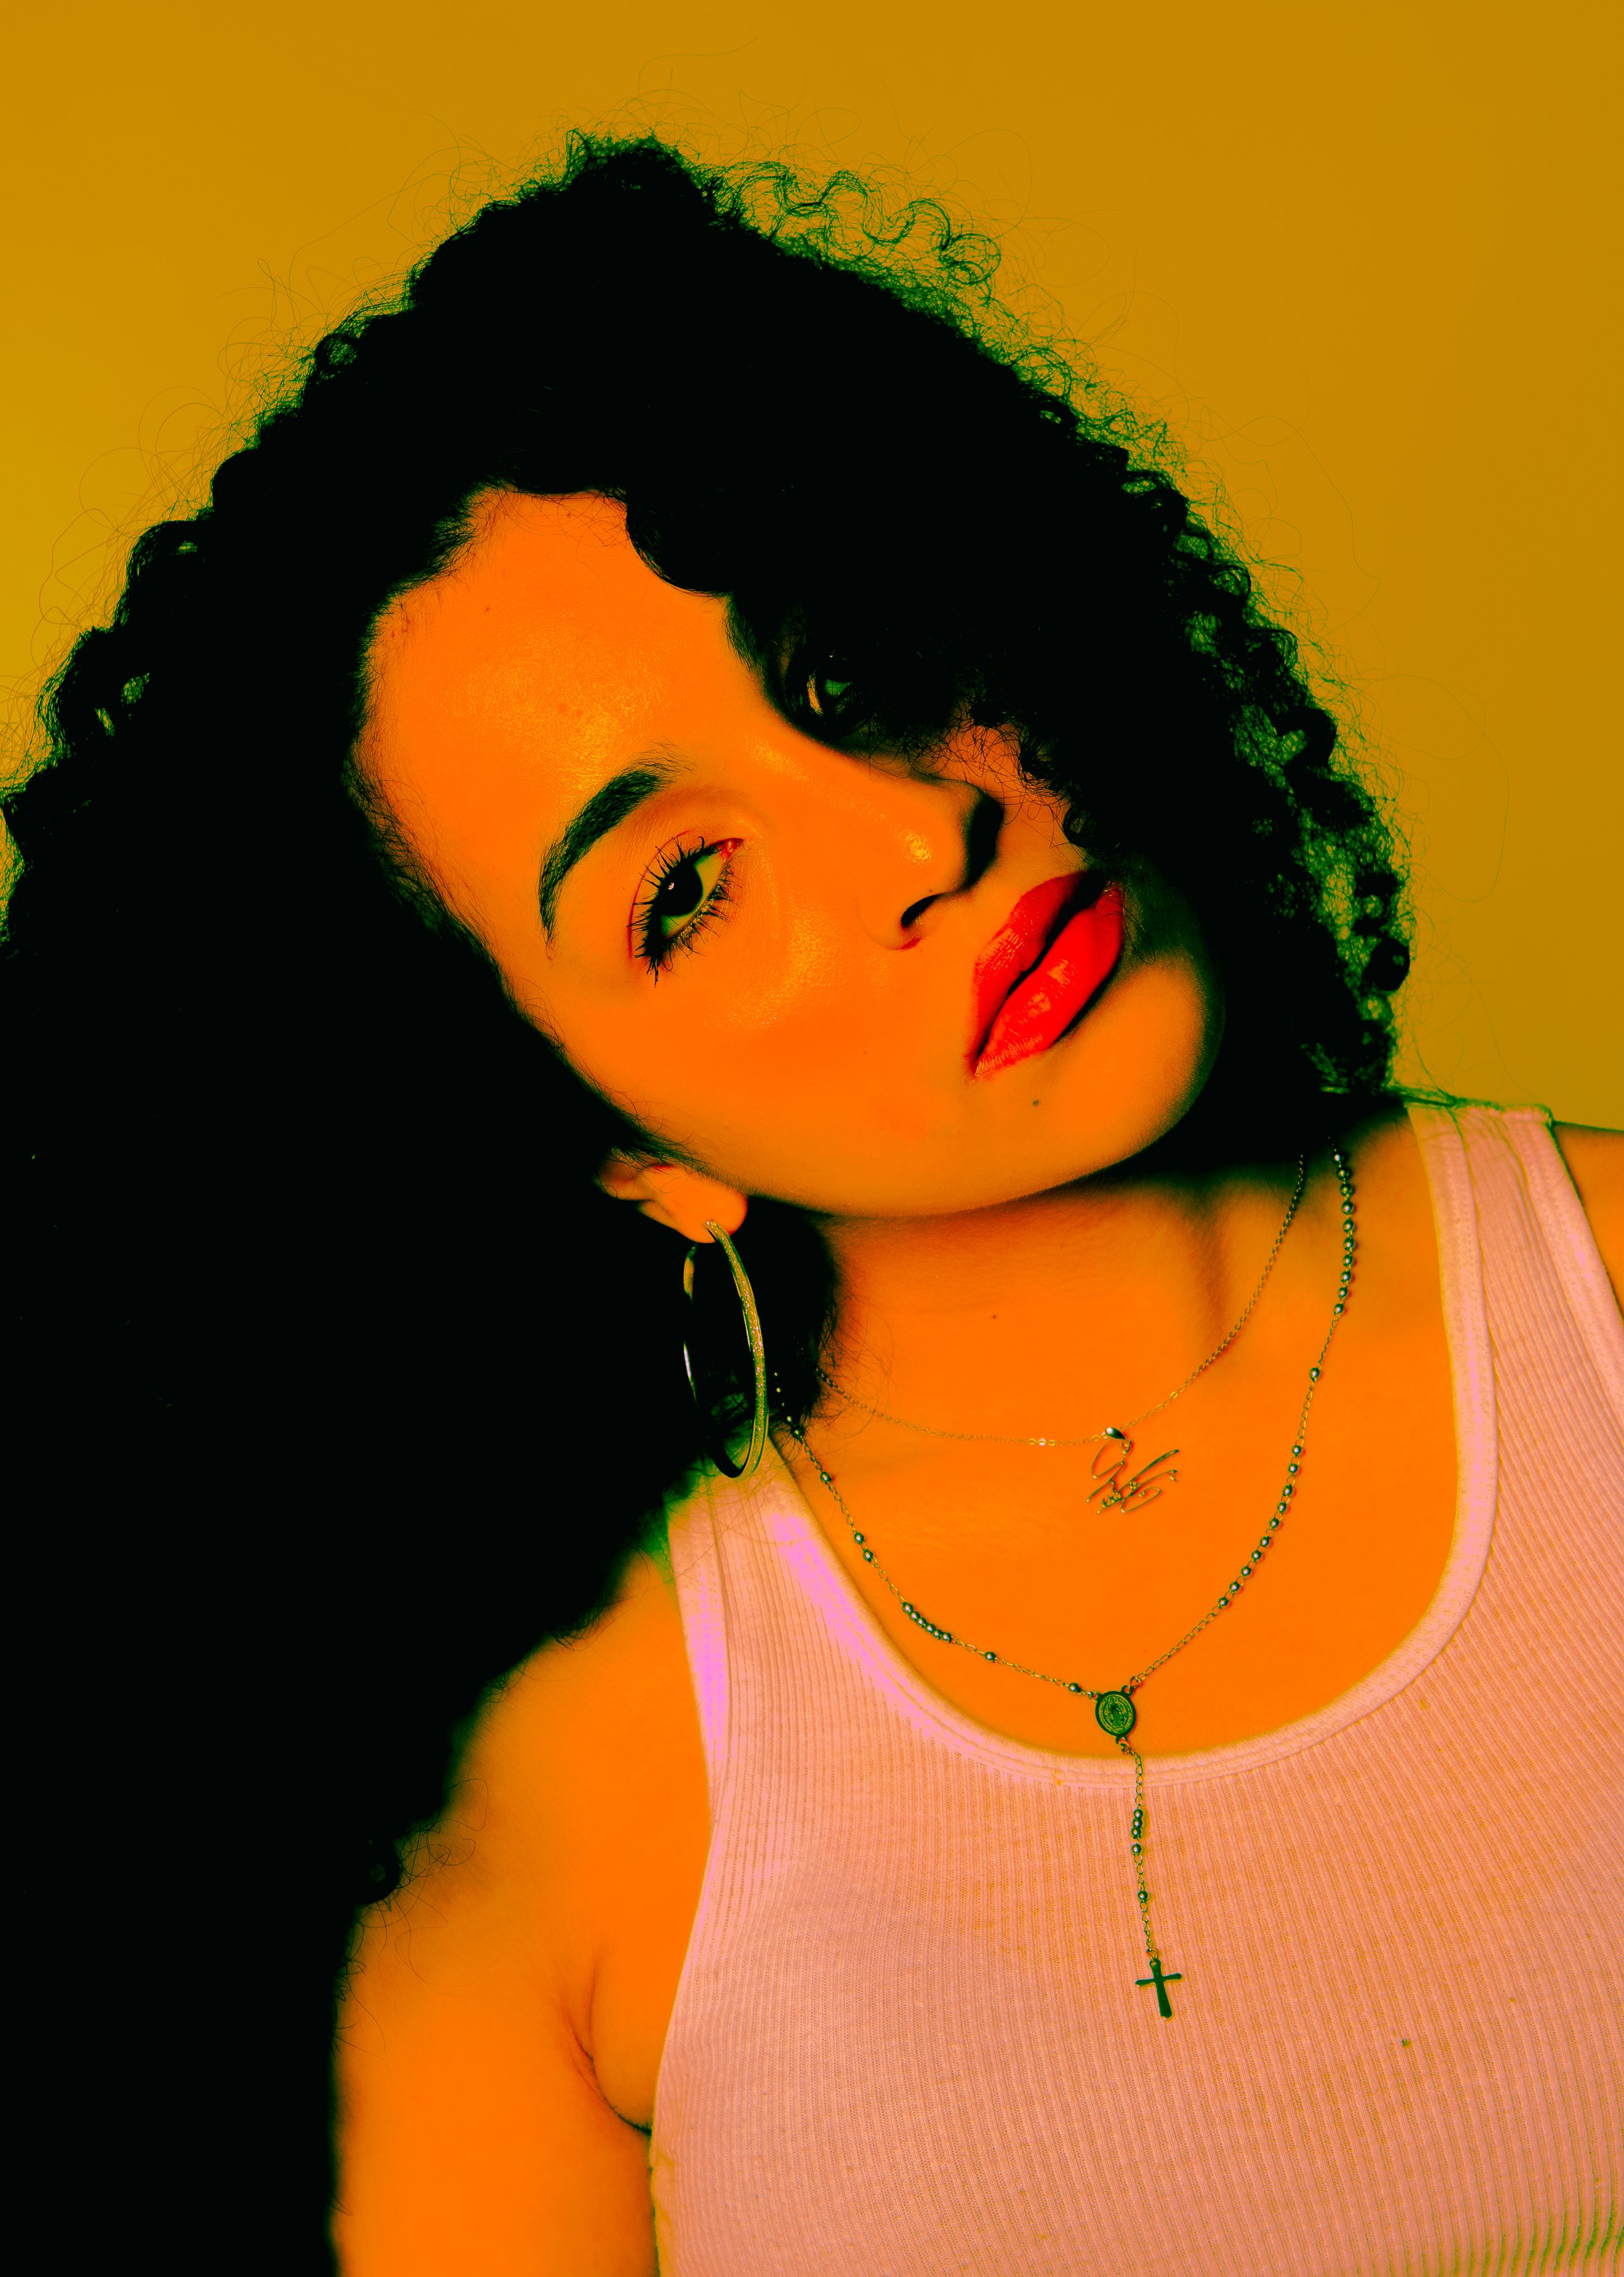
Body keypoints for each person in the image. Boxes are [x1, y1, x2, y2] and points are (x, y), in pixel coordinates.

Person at [4, 134, 1618, 2276]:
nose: (915, 834)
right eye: (686, 888)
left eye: (848, 667)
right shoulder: (560, 1822)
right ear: (600, 1136)